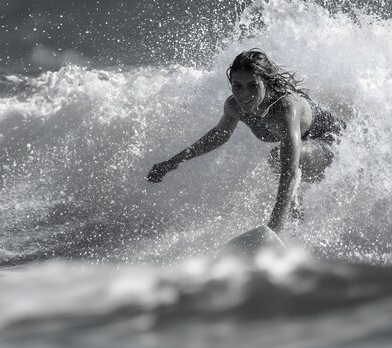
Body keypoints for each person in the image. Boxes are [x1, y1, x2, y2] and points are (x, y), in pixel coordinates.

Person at [147, 49, 344, 233]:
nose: (244, 94)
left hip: (334, 139)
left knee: (281, 159)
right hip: (308, 146)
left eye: (253, 86)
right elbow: (219, 135)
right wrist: (171, 163)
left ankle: (288, 225)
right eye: (237, 86)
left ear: (266, 83)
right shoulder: (234, 106)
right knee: (283, 161)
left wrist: (272, 230)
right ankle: (297, 223)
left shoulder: (285, 108)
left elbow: (290, 170)